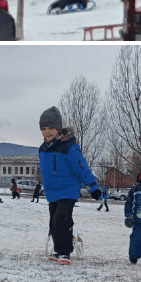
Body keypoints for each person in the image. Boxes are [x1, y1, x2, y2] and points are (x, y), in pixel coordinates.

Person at [38, 106, 101, 265]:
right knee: (53, 222)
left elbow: (81, 167)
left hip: (68, 189)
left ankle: (65, 252)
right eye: (43, 129)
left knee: (62, 219)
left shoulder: (69, 147)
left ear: (58, 128)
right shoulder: (42, 149)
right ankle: (58, 249)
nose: (47, 132)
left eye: (50, 128)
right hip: (53, 192)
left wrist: (93, 187)